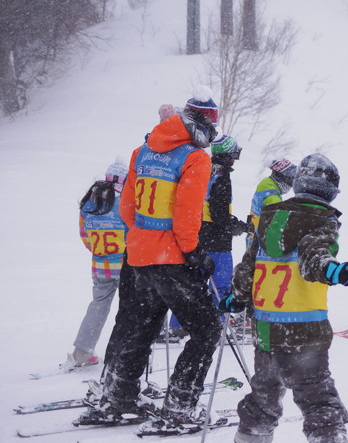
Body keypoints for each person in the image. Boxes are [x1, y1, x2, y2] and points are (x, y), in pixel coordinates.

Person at [78, 91, 222, 431]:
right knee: (206, 328)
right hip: (171, 257)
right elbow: (187, 213)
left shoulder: (141, 151)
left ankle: (118, 397)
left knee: (136, 327)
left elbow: (127, 207)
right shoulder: (195, 158)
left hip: (138, 255)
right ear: (203, 123)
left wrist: (144, 238)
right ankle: (179, 406)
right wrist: (193, 251)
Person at [220, 153, 348, 443]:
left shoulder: (267, 218)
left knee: (263, 402)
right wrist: (338, 271)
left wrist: (237, 297)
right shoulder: (320, 220)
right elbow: (314, 258)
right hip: (303, 333)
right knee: (320, 405)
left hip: (265, 331)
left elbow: (249, 266)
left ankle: (250, 438)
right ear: (330, 192)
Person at [167, 134, 249, 335]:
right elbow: (219, 214)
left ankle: (178, 325)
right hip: (218, 241)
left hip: (199, 236)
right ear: (227, 155)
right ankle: (216, 323)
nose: (234, 160)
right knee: (220, 286)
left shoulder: (205, 170)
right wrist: (238, 226)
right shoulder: (222, 178)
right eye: (234, 155)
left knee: (193, 283)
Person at [63, 161, 128, 370]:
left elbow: (85, 236)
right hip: (126, 265)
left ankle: (82, 351)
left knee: (98, 306)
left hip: (100, 265)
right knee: (131, 309)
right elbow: (134, 232)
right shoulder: (124, 202)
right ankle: (126, 355)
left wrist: (100, 253)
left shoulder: (89, 203)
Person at [248, 157, 298, 233]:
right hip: (262, 240)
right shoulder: (272, 197)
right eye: (290, 179)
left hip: (255, 236)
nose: (291, 184)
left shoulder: (266, 185)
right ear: (280, 177)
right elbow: (279, 225)